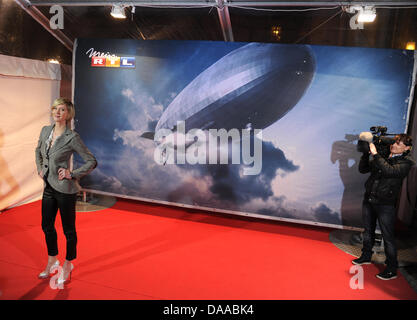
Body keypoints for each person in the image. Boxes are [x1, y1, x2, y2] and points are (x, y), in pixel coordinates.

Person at [35, 98, 97, 285]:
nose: (57, 112)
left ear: (68, 114)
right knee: (46, 226)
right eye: (55, 109)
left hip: (65, 190)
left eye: (62, 110)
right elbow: (38, 150)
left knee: (68, 230)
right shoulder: (46, 130)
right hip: (48, 186)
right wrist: (40, 168)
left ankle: (68, 263)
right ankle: (52, 259)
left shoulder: (72, 137)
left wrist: (72, 174)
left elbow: (91, 160)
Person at [352, 133, 415, 280]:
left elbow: (389, 171)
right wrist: (366, 155)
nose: (393, 145)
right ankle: (366, 256)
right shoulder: (384, 156)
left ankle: (392, 269)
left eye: (398, 144)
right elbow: (363, 169)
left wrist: (375, 154)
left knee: (388, 237)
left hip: (385, 204)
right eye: (394, 142)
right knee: (368, 231)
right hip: (370, 199)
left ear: (407, 148)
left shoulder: (407, 162)